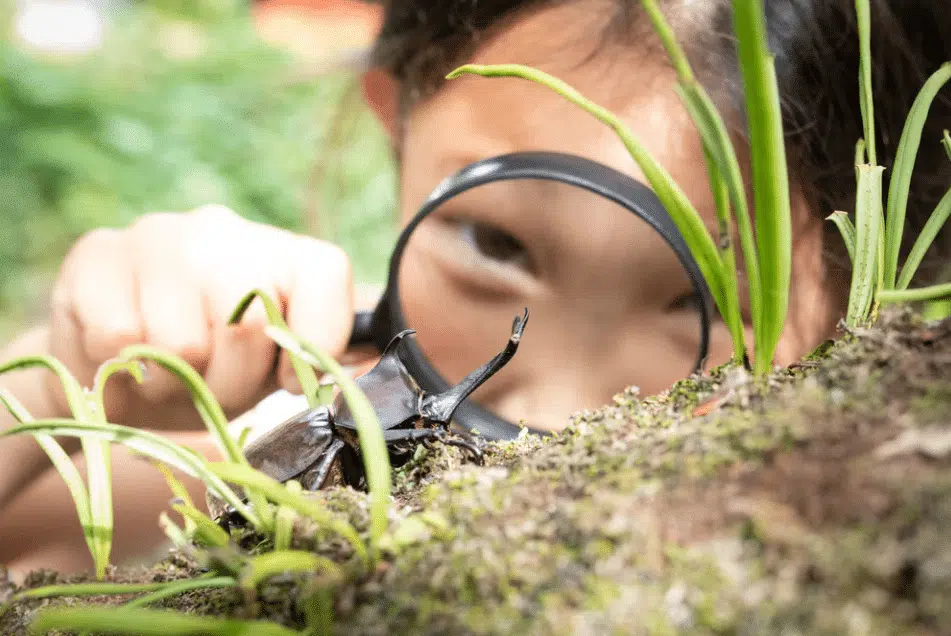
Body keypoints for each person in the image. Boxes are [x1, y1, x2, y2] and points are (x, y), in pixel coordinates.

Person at [1, 0, 948, 577]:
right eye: (495, 242)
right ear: (395, 123)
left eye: (702, 300)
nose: (554, 403)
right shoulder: (303, 427)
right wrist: (60, 383)